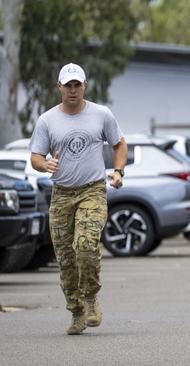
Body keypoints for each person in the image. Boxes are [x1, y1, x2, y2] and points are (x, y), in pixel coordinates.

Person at [29, 63, 127, 335]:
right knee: (66, 258)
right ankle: (76, 311)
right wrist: (43, 164)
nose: (73, 90)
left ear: (85, 86)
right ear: (59, 87)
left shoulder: (101, 114)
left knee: (85, 244)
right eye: (67, 85)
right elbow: (36, 156)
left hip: (92, 190)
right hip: (61, 194)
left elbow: (119, 143)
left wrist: (118, 171)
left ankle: (91, 297)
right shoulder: (47, 120)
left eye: (77, 84)